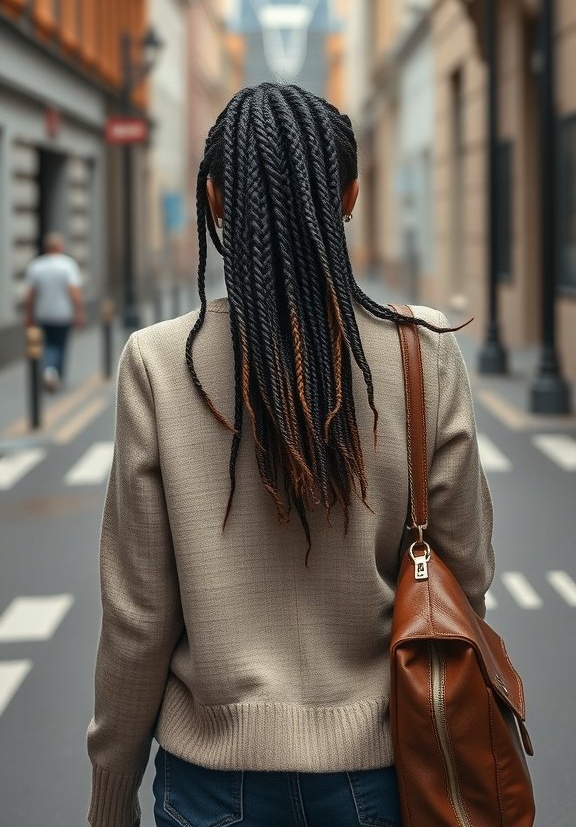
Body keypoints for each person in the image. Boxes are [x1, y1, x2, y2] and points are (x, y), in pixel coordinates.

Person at [87, 84, 494, 827]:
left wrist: (111, 795)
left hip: (211, 780)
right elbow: (464, 571)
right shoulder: (421, 352)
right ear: (351, 197)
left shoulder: (159, 362)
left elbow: (138, 618)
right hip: (387, 769)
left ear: (215, 201)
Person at [24, 231, 85, 391]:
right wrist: (79, 312)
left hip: (43, 313)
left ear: (46, 247)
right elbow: (74, 292)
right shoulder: (68, 265)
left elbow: (30, 295)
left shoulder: (36, 265)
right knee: (60, 345)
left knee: (48, 344)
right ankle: (53, 371)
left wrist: (29, 314)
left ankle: (50, 371)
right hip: (63, 314)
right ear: (60, 247)